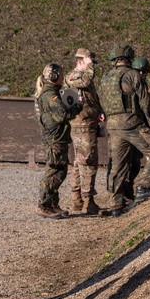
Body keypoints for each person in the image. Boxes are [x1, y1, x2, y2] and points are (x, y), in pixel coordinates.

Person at [96, 44, 150, 216]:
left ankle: (115, 205)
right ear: (130, 58)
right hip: (131, 124)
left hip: (113, 126)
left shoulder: (106, 77)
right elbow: (146, 104)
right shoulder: (133, 75)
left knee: (117, 165)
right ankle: (143, 187)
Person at [34, 63, 83, 218]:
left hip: (58, 137)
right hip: (55, 138)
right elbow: (63, 115)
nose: (63, 77)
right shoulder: (50, 96)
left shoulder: (52, 92)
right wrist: (78, 106)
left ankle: (53, 204)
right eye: (60, 74)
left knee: (59, 171)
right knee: (54, 171)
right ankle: (44, 205)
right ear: (54, 76)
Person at [64, 48, 103, 214]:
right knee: (88, 162)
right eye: (89, 62)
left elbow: (92, 97)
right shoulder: (74, 76)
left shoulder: (85, 77)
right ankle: (88, 200)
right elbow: (85, 82)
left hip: (88, 124)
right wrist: (89, 67)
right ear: (81, 61)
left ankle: (77, 200)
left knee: (79, 163)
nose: (92, 66)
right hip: (81, 126)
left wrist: (99, 111)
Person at [124, 56, 150, 198]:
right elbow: (148, 107)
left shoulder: (123, 84)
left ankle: (125, 194)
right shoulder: (139, 85)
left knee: (127, 162)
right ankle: (139, 189)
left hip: (123, 128)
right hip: (137, 128)